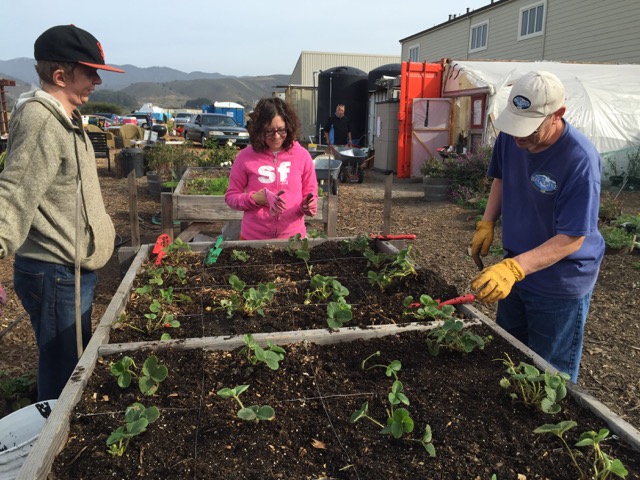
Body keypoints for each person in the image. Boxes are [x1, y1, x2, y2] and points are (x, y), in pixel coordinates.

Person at [0, 25, 123, 400]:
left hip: (68, 271)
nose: (97, 81)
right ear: (59, 76)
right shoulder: (40, 121)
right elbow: (14, 192)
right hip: (54, 273)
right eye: (90, 72)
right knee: (64, 375)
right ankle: (51, 431)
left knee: (71, 363)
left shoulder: (64, 118)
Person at [469, 71, 605, 383]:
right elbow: (501, 178)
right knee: (508, 356)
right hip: (517, 266)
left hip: (559, 281)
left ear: (558, 114)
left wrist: (513, 269)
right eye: (515, 124)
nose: (520, 136)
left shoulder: (579, 160)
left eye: (529, 127)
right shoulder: (512, 135)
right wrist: (487, 222)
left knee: (549, 374)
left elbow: (572, 239)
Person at [225, 97, 318, 240]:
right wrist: (254, 199)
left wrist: (308, 205)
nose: (276, 136)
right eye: (269, 131)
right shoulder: (245, 157)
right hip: (253, 239)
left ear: (289, 127)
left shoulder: (302, 156)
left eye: (281, 130)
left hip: (293, 239)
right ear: (258, 130)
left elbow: (311, 192)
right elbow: (231, 197)